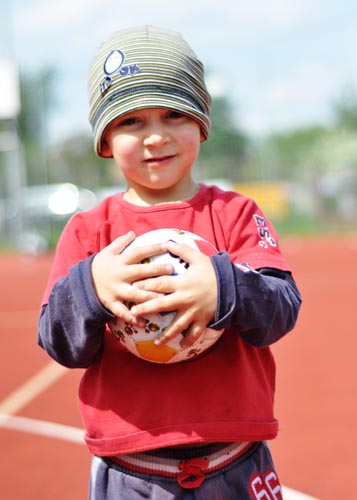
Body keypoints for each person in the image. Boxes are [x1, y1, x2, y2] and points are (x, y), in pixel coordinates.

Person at [38, 25, 302, 500]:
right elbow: (59, 343)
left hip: (236, 462)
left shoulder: (235, 214)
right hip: (129, 472)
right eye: (131, 122)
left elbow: (281, 307)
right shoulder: (88, 231)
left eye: (173, 115)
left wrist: (224, 288)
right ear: (104, 139)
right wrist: (91, 289)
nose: (155, 137)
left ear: (201, 121)